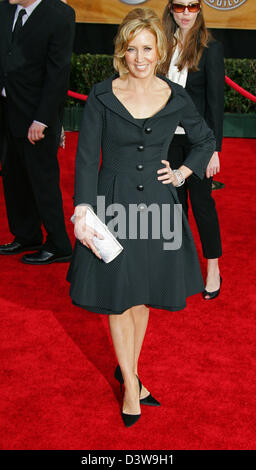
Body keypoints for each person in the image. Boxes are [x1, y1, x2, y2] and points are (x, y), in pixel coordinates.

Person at [67, 7, 215, 427]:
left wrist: (183, 171)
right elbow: (84, 158)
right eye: (131, 48)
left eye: (147, 48)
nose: (140, 57)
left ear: (160, 49)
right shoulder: (101, 95)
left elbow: (204, 140)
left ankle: (128, 369)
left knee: (143, 293)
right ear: (122, 52)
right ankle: (131, 385)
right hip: (112, 204)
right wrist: (81, 209)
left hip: (157, 205)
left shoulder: (175, 96)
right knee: (118, 296)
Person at [0, 0, 75, 264]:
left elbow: (58, 72)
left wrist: (43, 119)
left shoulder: (59, 14)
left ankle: (59, 244)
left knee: (43, 181)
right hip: (6, 110)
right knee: (13, 177)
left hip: (36, 116)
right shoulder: (5, 9)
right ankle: (26, 234)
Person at [161, 0, 224, 299]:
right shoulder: (159, 43)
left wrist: (214, 150)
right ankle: (176, 267)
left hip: (199, 141)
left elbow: (215, 103)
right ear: (171, 8)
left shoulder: (210, 48)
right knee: (172, 207)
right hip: (165, 140)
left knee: (201, 204)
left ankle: (213, 268)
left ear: (200, 9)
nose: (186, 12)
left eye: (192, 6)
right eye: (180, 6)